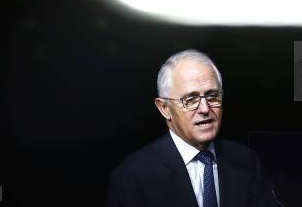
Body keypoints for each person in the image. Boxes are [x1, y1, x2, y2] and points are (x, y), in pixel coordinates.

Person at [108, 50, 272, 207]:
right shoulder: (133, 177)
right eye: (190, 99)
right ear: (164, 108)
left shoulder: (246, 161)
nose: (205, 109)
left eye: (212, 96)